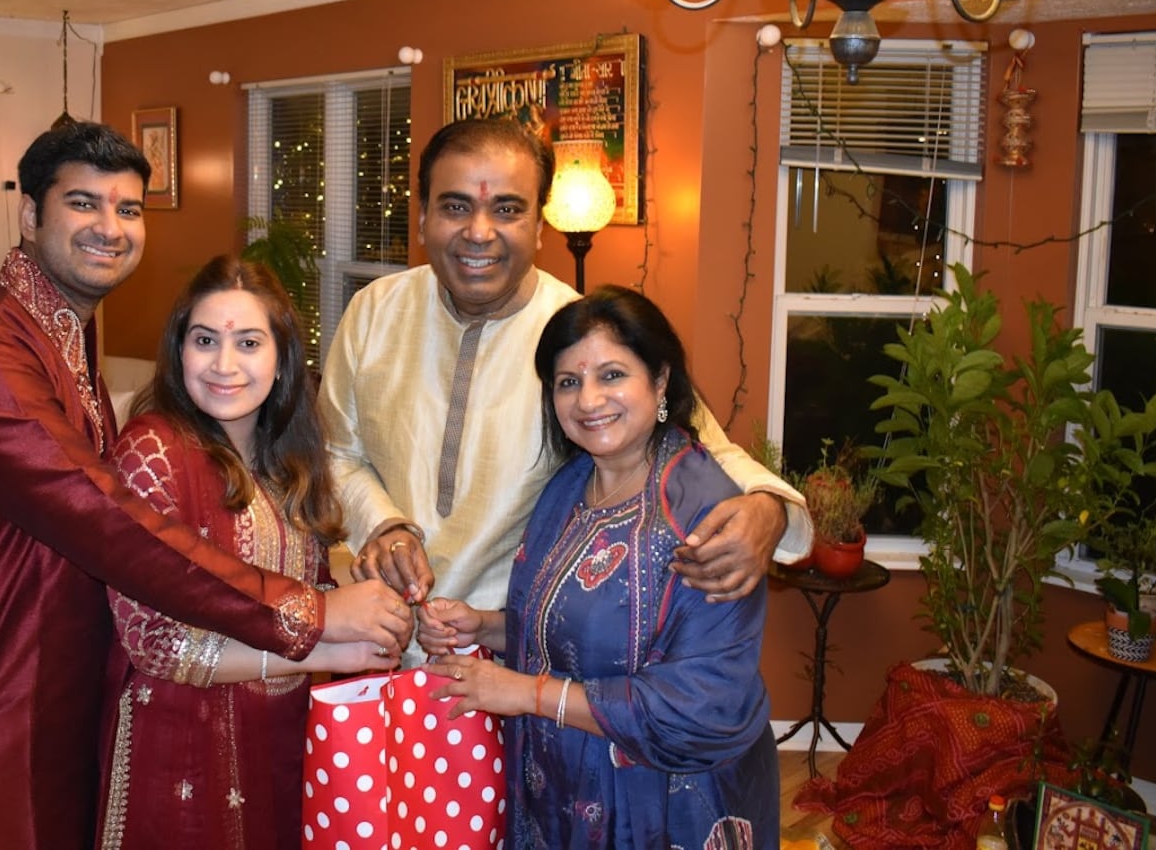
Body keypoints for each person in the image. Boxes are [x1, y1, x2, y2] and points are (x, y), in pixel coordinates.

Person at [0, 123, 410, 850]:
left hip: (57, 677)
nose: (109, 228)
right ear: (30, 216)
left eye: (128, 209)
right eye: (84, 203)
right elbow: (101, 518)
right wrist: (311, 614)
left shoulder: (58, 333)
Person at [321, 116, 809, 649]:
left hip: (510, 656)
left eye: (507, 209)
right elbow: (336, 452)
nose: (479, 231)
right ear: (421, 219)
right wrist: (383, 524)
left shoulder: (580, 343)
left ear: (538, 227)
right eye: (455, 206)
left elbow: (699, 442)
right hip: (376, 645)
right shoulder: (373, 312)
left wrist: (770, 508)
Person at [419, 286, 778, 848]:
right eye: (568, 382)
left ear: (660, 381)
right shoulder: (567, 488)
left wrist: (524, 693)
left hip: (663, 805)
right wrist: (485, 626)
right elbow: (577, 630)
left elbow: (701, 705)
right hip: (561, 787)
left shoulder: (703, 515)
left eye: (612, 375)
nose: (588, 400)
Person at [95, 256, 396, 849]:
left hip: (281, 738)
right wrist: (321, 643)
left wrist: (364, 597)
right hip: (180, 747)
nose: (224, 365)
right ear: (179, 350)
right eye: (205, 340)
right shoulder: (153, 452)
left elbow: (296, 585)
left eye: (249, 342)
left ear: (281, 357)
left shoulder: (287, 459)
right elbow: (155, 642)